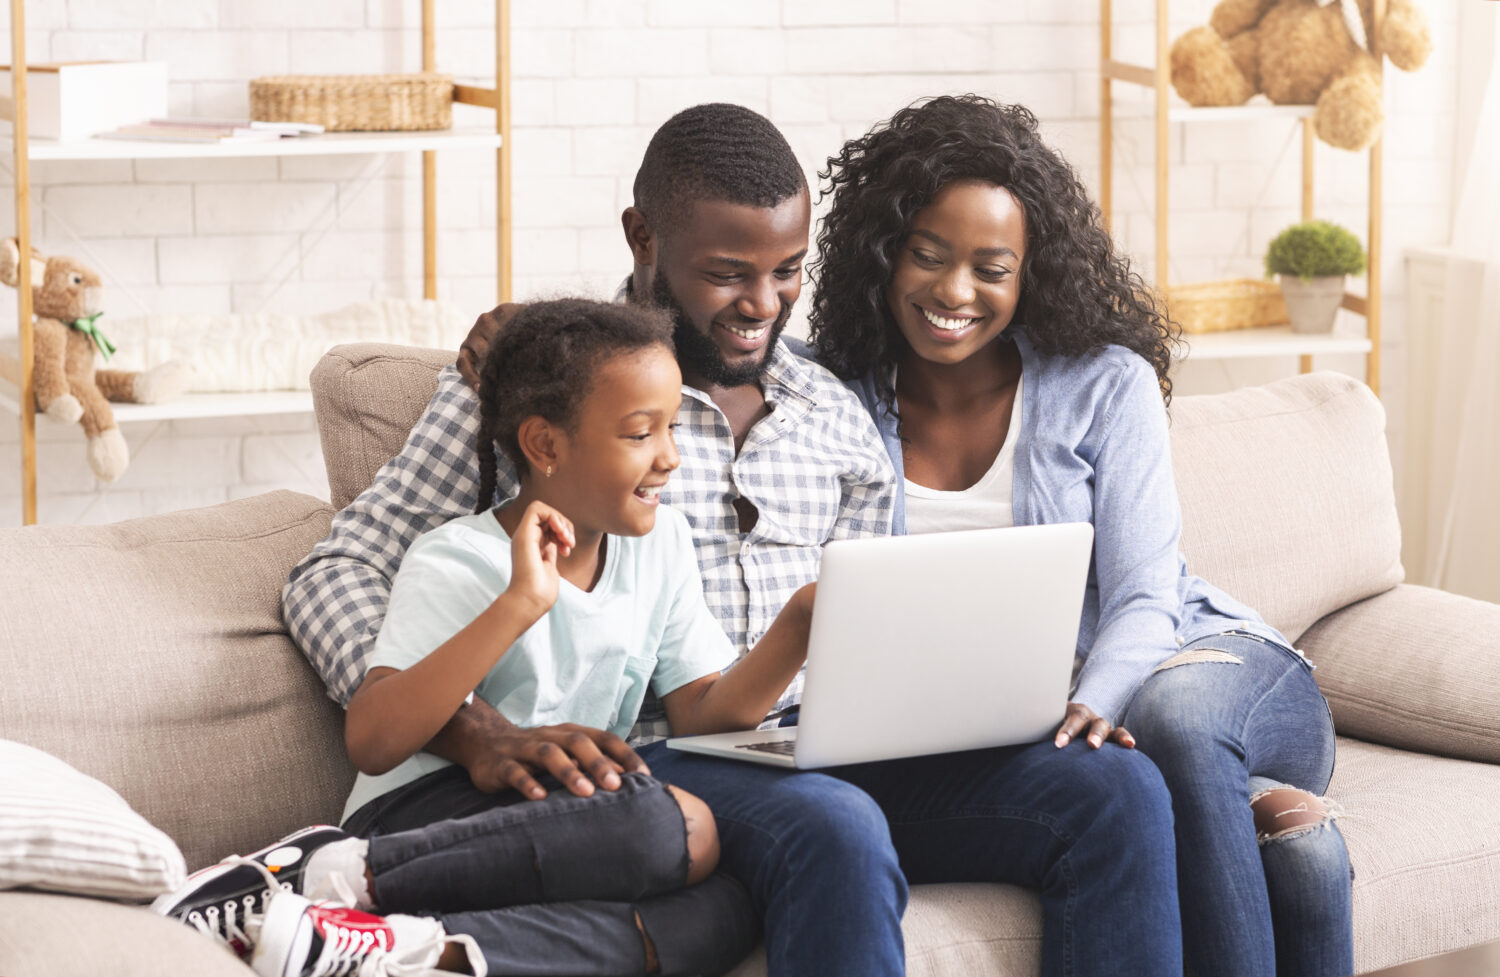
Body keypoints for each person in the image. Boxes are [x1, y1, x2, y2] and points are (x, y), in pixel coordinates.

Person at [286, 102, 1185, 977]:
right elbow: (337, 571)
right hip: (650, 765)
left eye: (788, 270)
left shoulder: (839, 411)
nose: (763, 304)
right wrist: (470, 727)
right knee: (830, 823)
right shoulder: (539, 392)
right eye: (727, 273)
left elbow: (876, 630)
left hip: (807, 748)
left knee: (1114, 794)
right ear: (643, 240)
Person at [808, 94, 1353, 977]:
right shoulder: (834, 394)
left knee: (1170, 724)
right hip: (1020, 719)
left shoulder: (1106, 384)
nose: (954, 292)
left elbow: (1147, 593)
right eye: (929, 256)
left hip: (1198, 663)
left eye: (991, 267)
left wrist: (1094, 700)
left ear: (1032, 273)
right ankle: (1243, 812)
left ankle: (1218, 784)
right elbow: (700, 330)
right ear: (884, 252)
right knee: (1282, 847)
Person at [160, 300, 784, 977]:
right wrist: (521, 602)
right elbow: (374, 737)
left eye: (671, 428)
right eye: (641, 433)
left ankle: (404, 947)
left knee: (730, 906)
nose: (670, 457)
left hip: (549, 814)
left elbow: (703, 707)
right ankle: (328, 873)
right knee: (673, 827)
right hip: (421, 815)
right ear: (545, 445)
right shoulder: (458, 558)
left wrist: (804, 623)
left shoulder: (664, 546)